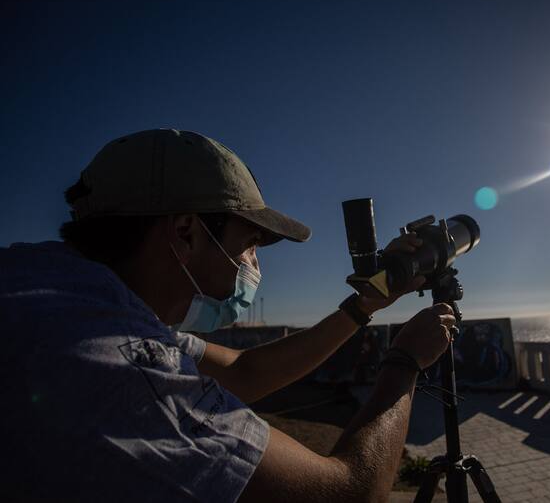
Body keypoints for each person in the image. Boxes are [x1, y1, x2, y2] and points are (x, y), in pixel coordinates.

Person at [0, 129, 455, 502]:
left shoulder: (56, 288)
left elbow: (243, 370)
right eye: (250, 243)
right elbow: (349, 493)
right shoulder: (117, 363)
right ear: (186, 233)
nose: (253, 264)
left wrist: (363, 305)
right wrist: (405, 362)